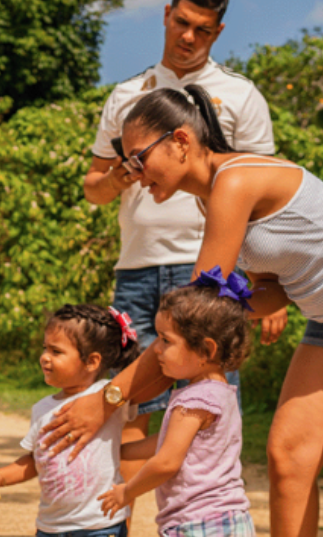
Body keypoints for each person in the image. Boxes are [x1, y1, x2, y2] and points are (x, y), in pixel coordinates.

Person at [44, 83, 323, 537]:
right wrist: (231, 305)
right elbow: (273, 290)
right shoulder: (209, 195)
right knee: (289, 455)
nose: (133, 171)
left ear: (180, 141)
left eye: (139, 157)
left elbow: (189, 324)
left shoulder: (234, 182)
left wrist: (107, 400)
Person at [80, 0, 284, 517]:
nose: (190, 37)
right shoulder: (128, 95)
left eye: (204, 30)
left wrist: (270, 286)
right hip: (136, 266)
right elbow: (93, 190)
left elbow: (261, 193)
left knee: (206, 405)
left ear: (218, 32)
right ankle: (114, 520)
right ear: (166, 15)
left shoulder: (241, 94)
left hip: (215, 272)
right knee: (131, 414)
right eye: (182, 23)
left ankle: (210, 515)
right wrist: (124, 174)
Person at [99, 271, 255, 535]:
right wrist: (120, 450)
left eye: (166, 340)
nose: (157, 349)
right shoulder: (221, 393)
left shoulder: (195, 400)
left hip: (198, 523)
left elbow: (167, 462)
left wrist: (127, 491)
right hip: (230, 519)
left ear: (206, 350)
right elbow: (168, 442)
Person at [0, 304, 139, 537]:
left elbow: (144, 375)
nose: (44, 358)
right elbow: (35, 459)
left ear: (92, 361)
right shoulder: (42, 409)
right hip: (51, 527)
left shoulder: (109, 398)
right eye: (45, 348)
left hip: (100, 524)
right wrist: (0, 477)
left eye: (56, 352)